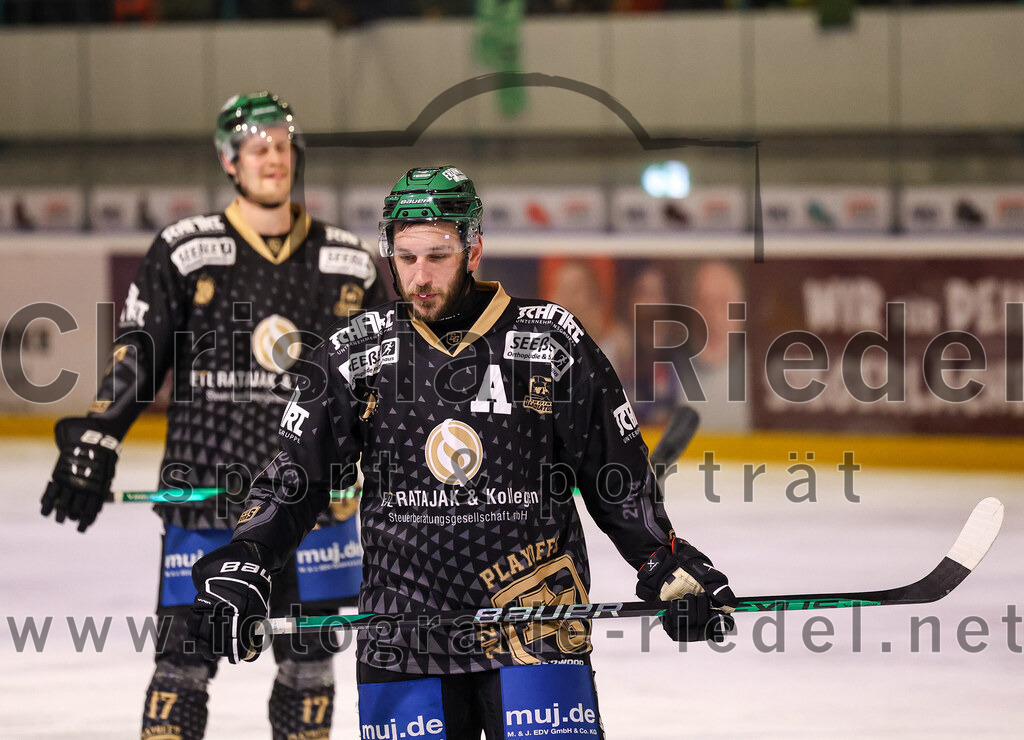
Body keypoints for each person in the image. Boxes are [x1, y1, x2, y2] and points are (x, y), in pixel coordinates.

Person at [187, 165, 736, 739]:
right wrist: (249, 557)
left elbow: (615, 476)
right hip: (404, 634)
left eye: (437, 255)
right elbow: (296, 479)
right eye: (405, 258)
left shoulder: (550, 341)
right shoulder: (355, 354)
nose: (419, 276)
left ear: (474, 248)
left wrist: (662, 560)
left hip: (536, 624)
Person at [40, 91, 387, 740]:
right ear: (230, 162)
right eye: (258, 148)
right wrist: (96, 436)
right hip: (203, 499)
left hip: (311, 507)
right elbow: (137, 355)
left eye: (283, 146)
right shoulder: (185, 248)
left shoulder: (351, 260)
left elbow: (382, 385)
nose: (274, 158)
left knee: (310, 673)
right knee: (181, 666)